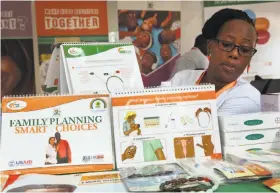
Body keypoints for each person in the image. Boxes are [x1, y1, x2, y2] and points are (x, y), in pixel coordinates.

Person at [170, 8, 260, 115]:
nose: (235, 54)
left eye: (245, 50)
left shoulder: (247, 98)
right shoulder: (181, 79)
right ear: (210, 45)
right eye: (226, 44)